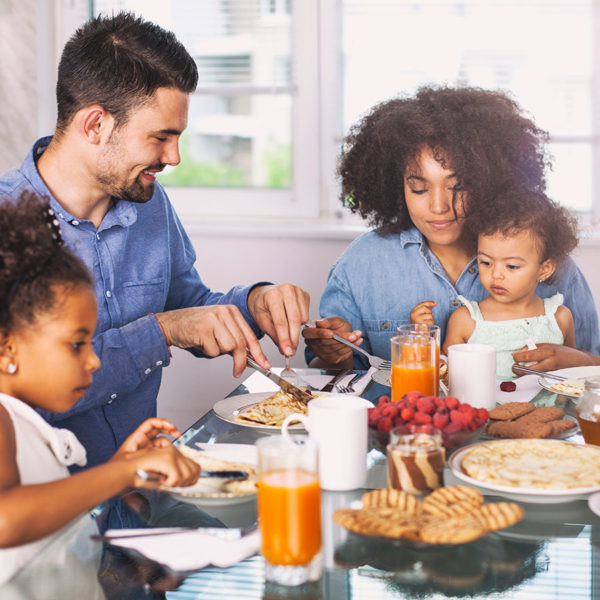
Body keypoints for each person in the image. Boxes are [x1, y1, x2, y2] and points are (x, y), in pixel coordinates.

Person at [0, 13, 309, 469]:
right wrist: (162, 331)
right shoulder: (9, 225)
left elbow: (190, 305)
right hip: (51, 510)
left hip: (145, 487)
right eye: (161, 137)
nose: (175, 157)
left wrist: (255, 305)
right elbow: (19, 398)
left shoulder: (148, 202)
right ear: (94, 126)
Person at [303, 86, 600, 370]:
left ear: (489, 181)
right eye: (419, 188)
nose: (438, 206)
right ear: (395, 185)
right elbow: (326, 379)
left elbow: (593, 366)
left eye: (457, 187)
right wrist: (334, 354)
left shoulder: (548, 262)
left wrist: (579, 362)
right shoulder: (361, 264)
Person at [0, 193, 200, 585]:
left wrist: (118, 472)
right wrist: (125, 470)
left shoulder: (21, 418)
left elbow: (50, 519)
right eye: (77, 344)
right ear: (7, 345)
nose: (93, 360)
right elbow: (6, 519)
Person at [433, 190, 577, 380]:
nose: (496, 274)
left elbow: (573, 377)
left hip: (551, 410)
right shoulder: (466, 321)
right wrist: (425, 339)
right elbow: (445, 379)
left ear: (545, 269)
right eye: (485, 262)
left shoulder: (560, 318)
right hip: (482, 410)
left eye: (512, 266)